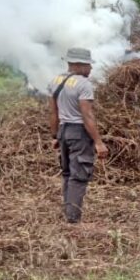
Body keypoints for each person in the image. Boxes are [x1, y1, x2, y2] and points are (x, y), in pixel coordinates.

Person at [47, 47, 108, 223]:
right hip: (79, 133)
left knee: (67, 173)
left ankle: (68, 212)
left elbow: (53, 113)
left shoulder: (55, 81)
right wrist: (98, 142)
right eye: (88, 65)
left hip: (63, 131)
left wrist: (54, 136)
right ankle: (73, 219)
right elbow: (87, 115)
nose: (90, 69)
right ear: (79, 65)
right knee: (79, 176)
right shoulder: (83, 84)